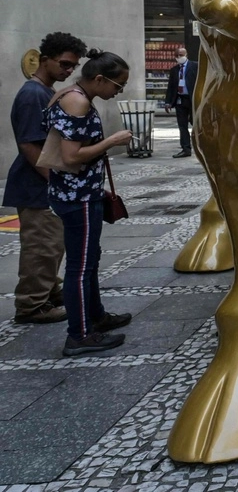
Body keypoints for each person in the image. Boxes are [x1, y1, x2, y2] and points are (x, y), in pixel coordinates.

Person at [46, 49, 135, 356]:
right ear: (99, 79)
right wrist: (111, 141)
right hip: (78, 195)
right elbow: (72, 156)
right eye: (117, 86)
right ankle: (80, 334)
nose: (118, 92)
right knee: (81, 266)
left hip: (79, 193)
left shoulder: (70, 93)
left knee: (89, 259)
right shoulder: (77, 101)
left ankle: (95, 316)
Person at [3, 32, 87, 324]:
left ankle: (48, 294)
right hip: (36, 185)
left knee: (51, 245)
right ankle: (31, 305)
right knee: (42, 245)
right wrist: (55, 180)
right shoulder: (32, 94)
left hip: (41, 184)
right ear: (44, 60)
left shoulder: (44, 92)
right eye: (64, 64)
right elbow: (28, 144)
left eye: (72, 66)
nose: (68, 70)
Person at [164, 46, 198, 158]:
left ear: (186, 55)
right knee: (182, 125)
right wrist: (168, 102)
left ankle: (200, 147)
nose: (179, 57)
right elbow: (171, 87)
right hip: (180, 99)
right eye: (177, 55)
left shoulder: (195, 66)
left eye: (181, 55)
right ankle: (186, 149)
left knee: (196, 124)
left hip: (192, 99)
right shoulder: (174, 70)